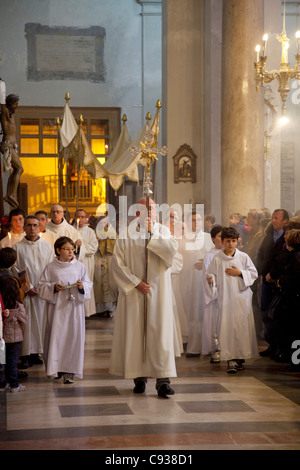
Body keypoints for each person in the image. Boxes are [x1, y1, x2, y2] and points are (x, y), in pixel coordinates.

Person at [109, 198, 179, 398]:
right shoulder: (126, 233)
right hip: (135, 291)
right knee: (136, 334)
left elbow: (171, 253)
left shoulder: (163, 231)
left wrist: (153, 234)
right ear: (136, 211)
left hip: (158, 291)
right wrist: (134, 282)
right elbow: (117, 263)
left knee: (159, 334)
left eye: (152, 209)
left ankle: (163, 380)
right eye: (145, 208)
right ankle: (138, 378)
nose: (149, 212)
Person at [38, 237, 92, 384]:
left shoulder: (79, 266)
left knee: (72, 338)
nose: (71, 252)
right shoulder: (51, 267)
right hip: (57, 310)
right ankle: (55, 369)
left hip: (74, 309)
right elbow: (41, 286)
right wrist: (53, 287)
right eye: (67, 249)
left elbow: (88, 284)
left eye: (72, 249)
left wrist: (82, 287)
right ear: (58, 250)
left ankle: (70, 371)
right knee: (56, 337)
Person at [205, 227, 258, 373]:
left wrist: (240, 273)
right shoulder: (217, 259)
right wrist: (211, 279)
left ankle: (239, 358)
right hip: (226, 299)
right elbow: (210, 275)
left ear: (238, 241)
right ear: (222, 242)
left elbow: (253, 274)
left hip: (241, 298)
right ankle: (231, 359)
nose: (230, 244)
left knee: (240, 328)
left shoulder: (243, 257)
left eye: (234, 241)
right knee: (228, 327)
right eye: (227, 241)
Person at [13, 216, 54, 369]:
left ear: (40, 227)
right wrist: (27, 287)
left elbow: (50, 268)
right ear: (24, 228)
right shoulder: (17, 247)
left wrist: (41, 287)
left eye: (35, 225)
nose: (32, 228)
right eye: (29, 225)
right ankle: (25, 355)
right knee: (27, 323)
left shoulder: (47, 247)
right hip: (27, 292)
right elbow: (15, 269)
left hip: (41, 292)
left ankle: (38, 353)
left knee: (42, 323)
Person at [178, 210, 214, 357]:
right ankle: (192, 346)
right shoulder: (180, 239)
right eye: (193, 220)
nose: (197, 222)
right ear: (187, 222)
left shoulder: (208, 238)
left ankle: (204, 347)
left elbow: (216, 256)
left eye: (199, 220)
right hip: (187, 281)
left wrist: (206, 263)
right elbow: (176, 258)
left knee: (204, 314)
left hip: (205, 281)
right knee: (191, 314)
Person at [257, 209, 289, 357]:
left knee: (278, 315)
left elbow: (284, 260)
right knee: (265, 313)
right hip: (266, 280)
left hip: (280, 282)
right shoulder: (268, 236)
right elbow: (261, 255)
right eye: (273, 218)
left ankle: (281, 347)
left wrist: (274, 275)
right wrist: (262, 272)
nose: (274, 220)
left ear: (285, 221)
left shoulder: (287, 237)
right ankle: (271, 344)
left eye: (277, 218)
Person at [275, 229, 300, 371]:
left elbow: (294, 277)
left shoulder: (295, 257)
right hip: (294, 298)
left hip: (294, 300)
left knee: (295, 332)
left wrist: (281, 282)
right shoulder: (295, 255)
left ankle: (296, 362)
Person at [0, 275, 28, 392]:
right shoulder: (18, 306)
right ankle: (14, 385)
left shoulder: (2, 307)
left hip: (2, 338)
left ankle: (2, 384)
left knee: (2, 363)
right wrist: (22, 332)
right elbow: (24, 321)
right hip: (15, 339)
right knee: (12, 363)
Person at [0, 81, 23, 208]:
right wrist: (1, 85)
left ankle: (10, 194)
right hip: (7, 144)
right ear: (10, 104)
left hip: (11, 145)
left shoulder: (11, 116)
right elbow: (2, 102)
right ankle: (11, 194)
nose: (16, 106)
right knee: (19, 168)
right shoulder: (5, 113)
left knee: (17, 169)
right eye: (15, 104)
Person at [202, 224, 223, 361]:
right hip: (215, 296)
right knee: (215, 323)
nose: (223, 240)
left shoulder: (231, 254)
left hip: (228, 295)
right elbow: (207, 275)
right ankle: (215, 349)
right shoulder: (209, 256)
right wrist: (213, 287)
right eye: (221, 237)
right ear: (213, 239)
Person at [74, 209, 98, 317]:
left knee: (85, 284)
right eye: (79, 217)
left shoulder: (90, 232)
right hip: (73, 262)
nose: (81, 219)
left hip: (86, 263)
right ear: (75, 218)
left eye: (83, 217)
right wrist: (74, 246)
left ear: (86, 218)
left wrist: (81, 246)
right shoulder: (71, 230)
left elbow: (93, 248)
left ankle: (86, 312)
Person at [94, 215, 118, 317]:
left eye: (105, 223)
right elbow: (92, 244)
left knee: (110, 283)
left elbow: (116, 245)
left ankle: (110, 308)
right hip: (98, 259)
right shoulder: (94, 233)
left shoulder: (113, 233)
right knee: (98, 281)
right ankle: (99, 309)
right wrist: (98, 241)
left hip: (110, 259)